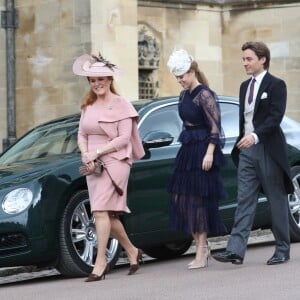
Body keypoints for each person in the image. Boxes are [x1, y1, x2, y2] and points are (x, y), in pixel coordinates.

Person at [212, 41, 294, 266]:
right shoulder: (243, 87)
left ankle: (282, 249)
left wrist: (255, 136)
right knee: (244, 200)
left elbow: (274, 118)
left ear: (262, 59)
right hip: (246, 151)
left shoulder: (277, 85)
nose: (244, 63)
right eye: (243, 59)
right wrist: (244, 140)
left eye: (248, 59)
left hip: (267, 148)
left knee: (276, 199)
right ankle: (235, 250)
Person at [73, 53, 145, 282]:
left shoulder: (121, 104)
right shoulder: (87, 105)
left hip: (116, 160)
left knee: (100, 212)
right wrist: (85, 153)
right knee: (104, 214)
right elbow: (81, 134)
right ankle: (132, 251)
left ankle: (100, 261)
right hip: (93, 165)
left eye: (101, 79)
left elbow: (124, 138)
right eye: (93, 81)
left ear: (109, 79)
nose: (97, 84)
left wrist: (96, 152)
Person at [166, 49, 227, 269]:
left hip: (203, 149)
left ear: (192, 71)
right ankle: (203, 246)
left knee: (198, 201)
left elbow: (215, 126)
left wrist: (210, 151)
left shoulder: (205, 94)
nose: (180, 80)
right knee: (180, 198)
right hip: (188, 149)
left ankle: (201, 250)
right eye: (177, 76)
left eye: (182, 75)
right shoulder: (183, 95)